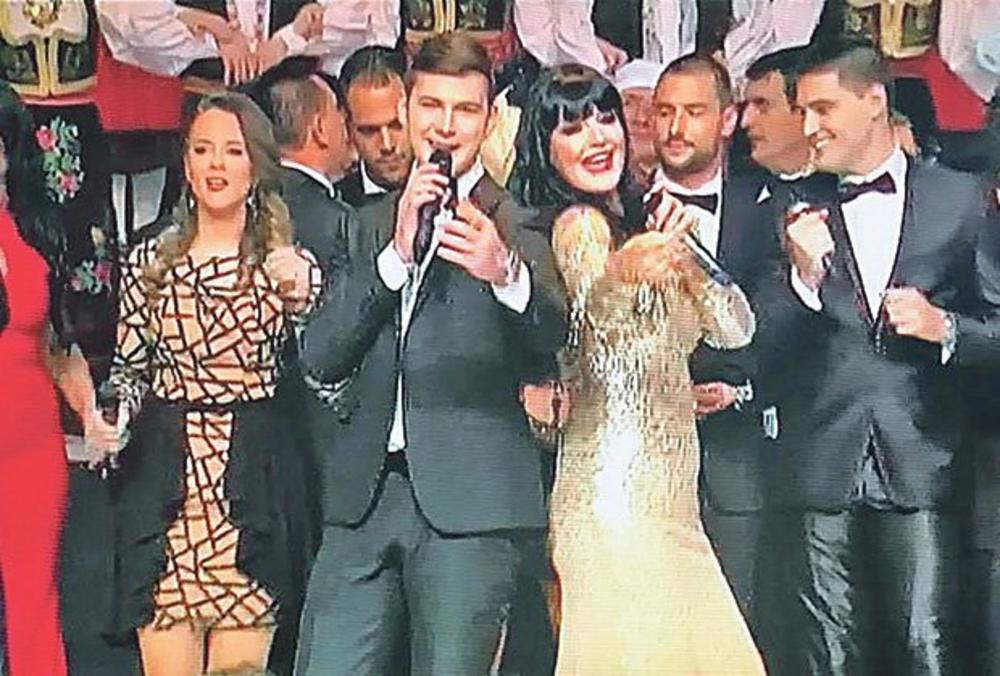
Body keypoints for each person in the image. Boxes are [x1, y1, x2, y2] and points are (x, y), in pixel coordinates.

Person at [294, 32, 566, 675]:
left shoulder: (520, 224)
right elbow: (322, 355)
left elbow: (553, 339)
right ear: (408, 109)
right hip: (363, 501)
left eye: (465, 110)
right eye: (432, 106)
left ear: (489, 120)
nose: (446, 126)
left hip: (470, 505)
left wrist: (504, 275)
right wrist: (394, 258)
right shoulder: (366, 224)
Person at [510, 62, 764, 674]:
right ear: (545, 148)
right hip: (612, 499)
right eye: (572, 128)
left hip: (670, 503)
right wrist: (623, 274)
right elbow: (597, 328)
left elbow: (736, 329)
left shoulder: (643, 224)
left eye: (605, 119)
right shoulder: (577, 226)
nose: (598, 138)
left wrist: (691, 257)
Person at [760, 40, 1000, 676]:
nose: (809, 127)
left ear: (873, 101)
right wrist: (803, 278)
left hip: (923, 464)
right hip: (818, 473)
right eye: (801, 111)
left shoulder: (961, 198)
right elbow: (754, 344)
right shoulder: (785, 207)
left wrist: (945, 327)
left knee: (927, 653)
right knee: (828, 661)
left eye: (823, 108)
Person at [101, 91, 321, 676]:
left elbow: (324, 374)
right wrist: (113, 418)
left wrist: (302, 299)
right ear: (186, 162)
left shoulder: (288, 266)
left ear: (257, 165)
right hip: (166, 495)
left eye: (232, 150)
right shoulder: (150, 263)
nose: (216, 165)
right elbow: (130, 370)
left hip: (252, 494)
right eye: (202, 150)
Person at [647, 54, 780, 635]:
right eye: (664, 112)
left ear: (728, 120)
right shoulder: (615, 206)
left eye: (693, 112)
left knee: (734, 637)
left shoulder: (772, 206)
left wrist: (740, 389)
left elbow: (788, 331)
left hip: (738, 464)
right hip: (642, 468)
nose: (675, 127)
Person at [0, 80, 117, 676]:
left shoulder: (32, 232)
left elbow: (57, 348)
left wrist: (90, 415)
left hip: (30, 448)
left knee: (34, 607)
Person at [335, 46, 414, 208]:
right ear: (348, 128)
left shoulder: (457, 192)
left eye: (397, 125)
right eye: (369, 131)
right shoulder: (334, 207)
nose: (387, 145)